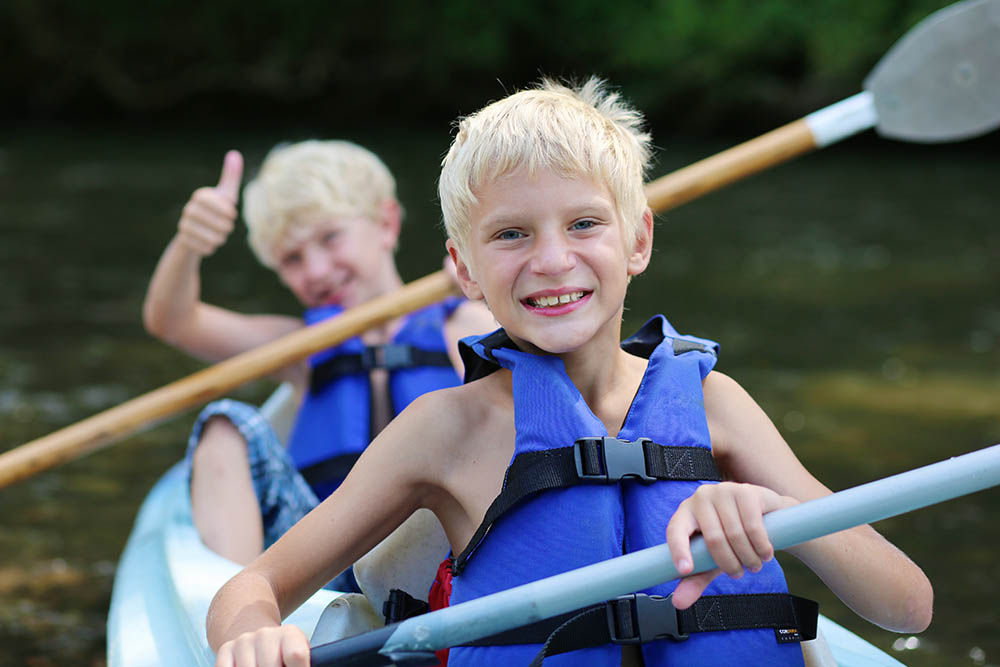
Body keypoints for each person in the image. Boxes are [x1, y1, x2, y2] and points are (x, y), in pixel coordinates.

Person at [205, 79, 933, 666]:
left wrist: (781, 513)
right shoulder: (443, 430)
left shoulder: (717, 404)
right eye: (511, 234)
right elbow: (253, 584)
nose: (552, 260)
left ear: (638, 238)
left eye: (584, 224)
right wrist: (252, 633)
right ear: (464, 268)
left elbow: (907, 606)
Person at [142, 140, 495, 580]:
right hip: (325, 559)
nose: (315, 271)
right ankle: (240, 619)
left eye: (330, 238)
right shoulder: (300, 350)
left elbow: (531, 400)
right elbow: (173, 320)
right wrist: (188, 245)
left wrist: (486, 283)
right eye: (292, 259)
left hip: (442, 550)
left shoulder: (466, 320)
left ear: (386, 223)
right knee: (224, 424)